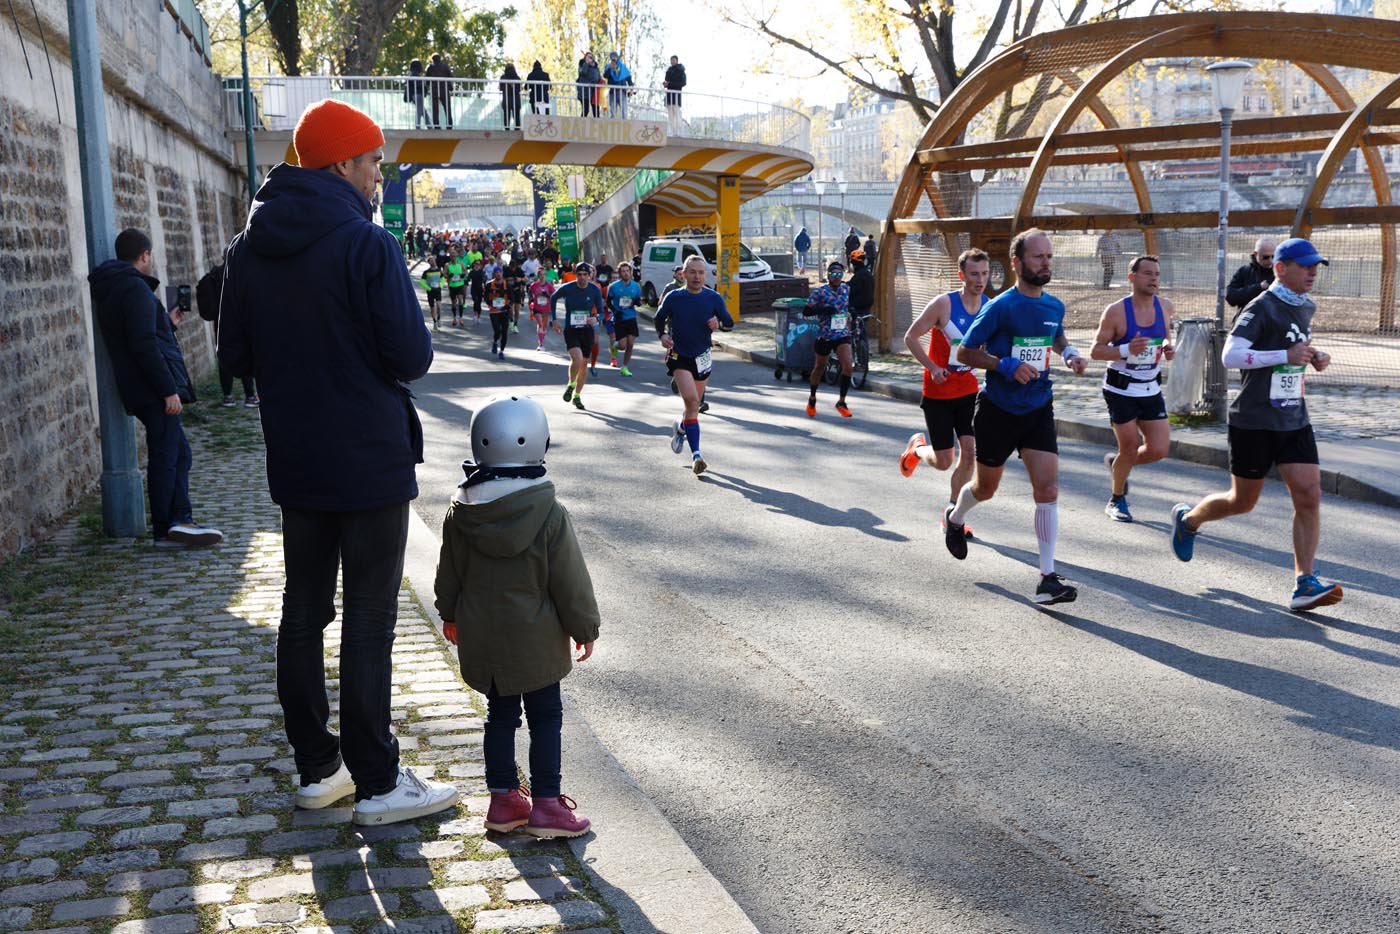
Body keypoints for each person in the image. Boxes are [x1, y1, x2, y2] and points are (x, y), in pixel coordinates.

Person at [219, 99, 457, 825]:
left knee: (303, 610)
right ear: (342, 165)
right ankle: (380, 781)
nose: (380, 174)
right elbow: (412, 357)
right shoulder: (368, 245)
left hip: (297, 456)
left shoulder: (247, 249)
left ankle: (319, 769)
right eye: (374, 161)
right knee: (369, 616)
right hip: (371, 458)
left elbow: (234, 358)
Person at [434, 394, 600, 839]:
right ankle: (547, 804)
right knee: (546, 716)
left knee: (500, 716)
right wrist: (585, 628)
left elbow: (448, 571)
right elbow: (570, 580)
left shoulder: (462, 510)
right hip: (536, 638)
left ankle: (504, 801)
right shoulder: (548, 512)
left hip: (484, 637)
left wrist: (449, 614)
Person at [1170, 238, 1342, 612]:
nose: (1313, 272)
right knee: (1242, 502)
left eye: (1316, 266)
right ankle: (1189, 520)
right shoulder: (1261, 306)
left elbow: (1293, 348)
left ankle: (1304, 583)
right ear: (1281, 268)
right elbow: (1231, 355)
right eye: (1306, 265)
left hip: (1293, 416)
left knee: (1309, 496)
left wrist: (1313, 355)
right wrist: (1285, 354)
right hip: (1254, 420)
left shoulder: (1305, 305)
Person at [942, 228, 1088, 606]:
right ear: (1017, 263)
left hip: (1038, 406)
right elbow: (965, 353)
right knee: (985, 489)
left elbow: (1055, 335)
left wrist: (1070, 352)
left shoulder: (1054, 305)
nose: (1046, 263)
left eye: (1050, 257)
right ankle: (956, 517)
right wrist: (1004, 365)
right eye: (1038, 257)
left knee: (1048, 489)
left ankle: (1047, 578)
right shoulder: (1000, 307)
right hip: (998, 411)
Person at [90, 228, 223, 549]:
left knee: (179, 453)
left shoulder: (119, 288)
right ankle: (167, 526)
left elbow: (142, 333)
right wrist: (167, 389)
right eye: (150, 256)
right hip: (152, 389)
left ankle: (179, 520)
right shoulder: (133, 288)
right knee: (167, 455)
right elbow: (142, 344)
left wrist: (167, 322)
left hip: (145, 386)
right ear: (144, 255)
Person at [899, 248, 988, 536]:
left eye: (985, 274)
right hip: (938, 392)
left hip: (968, 391)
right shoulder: (943, 305)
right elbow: (911, 337)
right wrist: (932, 367)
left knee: (970, 454)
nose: (980, 279)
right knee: (944, 461)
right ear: (962, 275)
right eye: (974, 274)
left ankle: (953, 515)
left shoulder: (989, 305)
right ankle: (917, 450)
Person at [1089, 255, 1176, 523]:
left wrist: (1167, 349)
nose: (1154, 279)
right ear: (1132, 277)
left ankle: (1118, 466)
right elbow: (1095, 351)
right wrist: (1127, 349)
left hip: (1150, 387)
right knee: (1130, 447)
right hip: (1121, 389)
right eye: (1147, 273)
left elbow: (1164, 340)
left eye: (1157, 274)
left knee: (1159, 449)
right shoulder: (1116, 311)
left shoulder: (1166, 307)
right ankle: (1117, 499)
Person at [657, 255, 734, 476]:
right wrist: (662, 335)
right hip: (680, 356)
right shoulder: (674, 297)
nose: (697, 276)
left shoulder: (713, 298)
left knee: (694, 406)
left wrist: (718, 324)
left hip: (702, 358)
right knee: (692, 400)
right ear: (684, 274)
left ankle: (681, 428)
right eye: (692, 272)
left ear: (705, 275)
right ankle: (697, 456)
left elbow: (729, 322)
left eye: (701, 272)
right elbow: (659, 318)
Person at [196, 261, 259, 407]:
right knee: (246, 355)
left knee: (224, 358)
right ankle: (250, 396)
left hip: (221, 323)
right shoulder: (241, 273)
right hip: (242, 323)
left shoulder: (214, 275)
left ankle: (228, 396)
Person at [802, 260, 856, 418]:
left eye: (840, 274)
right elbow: (806, 311)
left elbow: (848, 305)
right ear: (828, 275)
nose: (837, 277)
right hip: (825, 335)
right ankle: (812, 398)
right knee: (820, 367)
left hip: (842, 333)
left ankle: (842, 402)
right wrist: (823, 309)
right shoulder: (820, 292)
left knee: (848, 366)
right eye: (834, 274)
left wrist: (851, 312)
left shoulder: (846, 289)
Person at [551, 261, 605, 410]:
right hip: (572, 329)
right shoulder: (568, 288)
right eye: (579, 275)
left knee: (583, 365)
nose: (582, 278)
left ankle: (577, 396)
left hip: (587, 330)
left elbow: (601, 311)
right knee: (577, 358)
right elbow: (553, 298)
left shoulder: (595, 290)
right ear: (576, 275)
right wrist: (554, 319)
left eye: (585, 275)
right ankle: (571, 385)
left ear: (589, 275)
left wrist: (597, 318)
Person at [607, 262, 642, 377]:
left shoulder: (635, 286)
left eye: (627, 271)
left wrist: (637, 302)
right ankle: (615, 346)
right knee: (622, 345)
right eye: (623, 271)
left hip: (631, 317)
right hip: (620, 318)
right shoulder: (614, 287)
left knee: (630, 344)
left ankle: (625, 367)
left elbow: (638, 300)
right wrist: (615, 311)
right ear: (620, 273)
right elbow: (608, 302)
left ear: (630, 272)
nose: (626, 273)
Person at [1227, 236, 1277, 311]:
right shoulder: (1245, 271)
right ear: (1256, 254)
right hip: (1248, 317)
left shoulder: (1280, 272)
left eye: (1273, 256)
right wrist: (1257, 288)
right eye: (1265, 257)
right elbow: (1231, 297)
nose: (1270, 260)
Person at [486, 266, 511, 359]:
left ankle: (502, 351)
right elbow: (485, 297)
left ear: (502, 273)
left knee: (504, 332)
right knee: (497, 331)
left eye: (499, 272)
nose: (498, 274)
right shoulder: (489, 285)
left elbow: (511, 297)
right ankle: (495, 342)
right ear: (494, 274)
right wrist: (491, 303)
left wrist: (508, 305)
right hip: (494, 311)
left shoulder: (507, 285)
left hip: (504, 311)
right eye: (496, 272)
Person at [527, 267, 554, 350]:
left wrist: (547, 296)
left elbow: (554, 295)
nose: (542, 276)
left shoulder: (549, 285)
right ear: (538, 276)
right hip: (537, 308)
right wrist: (530, 300)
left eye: (543, 275)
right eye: (540, 275)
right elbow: (529, 293)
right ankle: (541, 344)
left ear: (545, 275)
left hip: (546, 308)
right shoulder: (534, 285)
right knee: (540, 323)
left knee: (544, 326)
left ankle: (541, 341)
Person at [426, 53, 453, 129]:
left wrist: (427, 87)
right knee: (447, 109)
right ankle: (449, 126)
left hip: (434, 90)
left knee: (435, 110)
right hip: (444, 90)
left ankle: (437, 126)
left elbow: (427, 79)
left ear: (433, 59)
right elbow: (450, 76)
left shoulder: (430, 67)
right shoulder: (445, 66)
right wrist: (450, 87)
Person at [604, 51, 633, 120]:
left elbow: (629, 78)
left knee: (624, 113)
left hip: (622, 92)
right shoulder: (608, 66)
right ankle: (612, 128)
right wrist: (610, 68)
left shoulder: (623, 67)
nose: (613, 58)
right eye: (612, 57)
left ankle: (625, 128)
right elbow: (605, 75)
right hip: (612, 92)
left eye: (615, 56)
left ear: (617, 57)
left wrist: (631, 89)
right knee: (612, 113)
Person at [663, 55, 686, 134]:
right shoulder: (669, 71)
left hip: (676, 97)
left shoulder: (681, 71)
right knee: (670, 115)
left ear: (676, 60)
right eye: (671, 60)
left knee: (677, 114)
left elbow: (683, 83)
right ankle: (673, 132)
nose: (672, 61)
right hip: (669, 97)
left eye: (673, 60)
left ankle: (679, 132)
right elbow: (666, 81)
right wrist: (666, 84)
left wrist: (670, 84)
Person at [445, 250, 468, 326]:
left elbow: (466, 272)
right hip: (452, 286)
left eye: (454, 256)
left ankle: (460, 318)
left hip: (460, 284)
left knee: (460, 300)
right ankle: (454, 318)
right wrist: (448, 275)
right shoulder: (447, 265)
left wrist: (463, 275)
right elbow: (444, 274)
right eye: (452, 256)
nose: (453, 257)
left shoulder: (460, 264)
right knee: (454, 302)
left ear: (456, 256)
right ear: (450, 257)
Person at [420, 257, 444, 331]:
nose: (433, 262)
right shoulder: (426, 272)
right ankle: (434, 322)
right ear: (429, 263)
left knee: (439, 305)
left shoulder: (439, 270)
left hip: (437, 290)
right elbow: (422, 282)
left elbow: (443, 279)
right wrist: (429, 288)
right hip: (430, 292)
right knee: (432, 308)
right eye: (431, 261)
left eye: (433, 260)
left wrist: (440, 285)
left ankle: (439, 319)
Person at [505, 253, 526, 333]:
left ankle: (515, 324)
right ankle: (511, 320)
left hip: (517, 290)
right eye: (511, 267)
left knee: (517, 309)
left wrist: (520, 279)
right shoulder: (506, 270)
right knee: (510, 309)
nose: (513, 269)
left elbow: (525, 278)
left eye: (514, 267)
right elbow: (503, 279)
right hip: (509, 291)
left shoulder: (519, 270)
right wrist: (508, 280)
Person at [405, 59, 429, 129]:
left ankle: (429, 126)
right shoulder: (416, 76)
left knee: (422, 110)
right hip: (418, 95)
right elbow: (420, 86)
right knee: (419, 110)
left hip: (413, 95)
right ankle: (418, 126)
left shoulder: (411, 76)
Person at [576, 52, 601, 117]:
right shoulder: (582, 65)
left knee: (596, 111)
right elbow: (583, 72)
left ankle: (597, 126)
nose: (590, 58)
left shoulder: (596, 68)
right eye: (588, 57)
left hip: (594, 92)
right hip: (584, 92)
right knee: (585, 110)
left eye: (591, 57)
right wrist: (586, 63)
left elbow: (598, 78)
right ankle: (581, 125)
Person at [500, 63, 523, 130]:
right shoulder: (517, 78)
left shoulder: (503, 77)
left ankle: (507, 129)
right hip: (516, 99)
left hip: (506, 99)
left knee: (506, 115)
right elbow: (519, 89)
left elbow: (501, 88)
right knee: (516, 116)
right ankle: (517, 129)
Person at [467, 258, 485, 326]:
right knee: (475, 301)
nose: (477, 265)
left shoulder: (481, 271)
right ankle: (475, 314)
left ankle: (478, 316)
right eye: (476, 264)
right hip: (473, 289)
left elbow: (483, 278)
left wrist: (483, 283)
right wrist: (466, 280)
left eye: (479, 264)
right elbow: (468, 278)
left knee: (479, 303)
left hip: (480, 289)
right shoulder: (472, 272)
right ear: (474, 264)